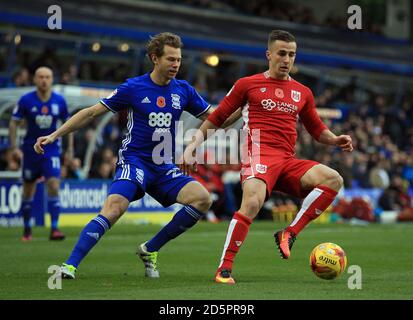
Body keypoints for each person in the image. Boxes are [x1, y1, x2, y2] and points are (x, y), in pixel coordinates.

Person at [34, 32, 238, 280]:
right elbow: (90, 113)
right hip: (135, 161)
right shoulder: (133, 87)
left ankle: (150, 249)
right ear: (155, 58)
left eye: (179, 60)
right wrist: (55, 135)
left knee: (202, 199)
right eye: (170, 59)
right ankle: (70, 265)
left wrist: (245, 103)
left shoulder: (183, 90)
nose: (176, 65)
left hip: (163, 165)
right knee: (114, 208)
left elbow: (219, 120)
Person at [182, 30, 353, 284]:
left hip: (287, 161)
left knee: (333, 179)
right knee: (251, 203)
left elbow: (316, 128)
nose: (286, 59)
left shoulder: (302, 92)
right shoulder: (247, 85)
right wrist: (191, 145)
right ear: (269, 55)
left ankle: (289, 233)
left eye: (292, 54)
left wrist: (334, 138)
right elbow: (217, 119)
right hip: (258, 157)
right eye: (282, 53)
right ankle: (224, 268)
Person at [9, 66, 73, 241]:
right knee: (28, 189)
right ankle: (27, 230)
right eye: (40, 77)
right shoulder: (26, 100)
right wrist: (14, 147)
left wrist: (69, 150)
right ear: (35, 80)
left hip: (51, 150)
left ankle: (54, 228)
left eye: (47, 77)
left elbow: (70, 125)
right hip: (30, 150)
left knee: (53, 185)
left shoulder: (59, 101)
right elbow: (14, 123)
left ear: (52, 79)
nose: (44, 80)